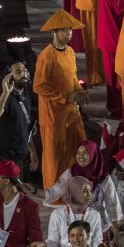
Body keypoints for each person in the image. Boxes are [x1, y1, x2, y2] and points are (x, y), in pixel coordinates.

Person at [34, 9, 91, 187]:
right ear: (54, 32)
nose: (68, 33)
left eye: (70, 29)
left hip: (71, 112)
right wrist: (65, 96)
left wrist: (79, 91)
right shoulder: (46, 56)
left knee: (78, 148)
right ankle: (54, 195)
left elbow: (73, 78)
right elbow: (38, 86)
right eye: (64, 30)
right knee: (55, 157)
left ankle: (75, 186)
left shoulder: (70, 52)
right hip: (53, 115)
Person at [0, 60, 39, 179]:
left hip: (22, 156)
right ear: (9, 76)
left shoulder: (25, 96)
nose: (24, 74)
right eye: (19, 71)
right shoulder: (7, 98)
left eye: (25, 71)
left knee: (22, 194)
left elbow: (27, 127)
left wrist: (33, 152)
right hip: (8, 159)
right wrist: (5, 93)